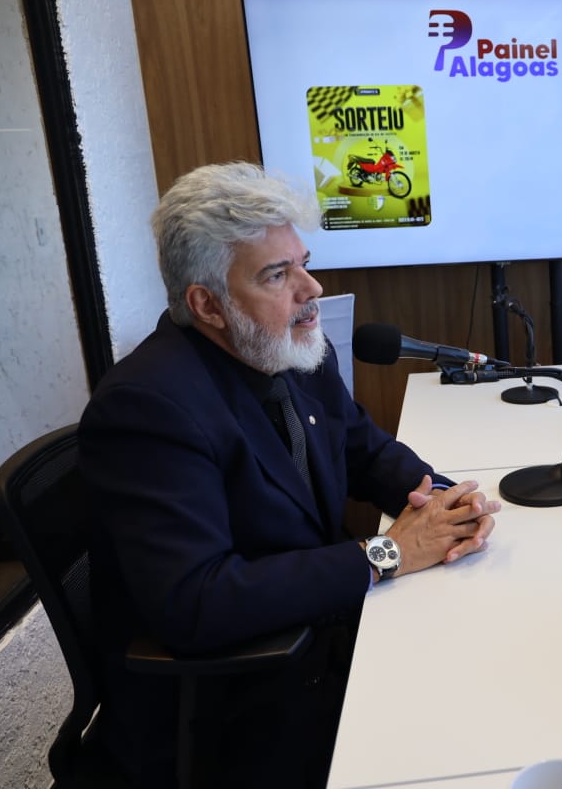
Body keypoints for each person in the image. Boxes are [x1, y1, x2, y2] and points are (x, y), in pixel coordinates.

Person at [78, 162, 500, 787]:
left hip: (323, 638)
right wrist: (387, 552)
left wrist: (445, 502)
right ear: (207, 304)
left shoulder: (286, 346)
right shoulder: (147, 408)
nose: (312, 288)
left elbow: (362, 449)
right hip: (240, 712)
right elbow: (195, 603)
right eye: (277, 275)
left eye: (303, 263)